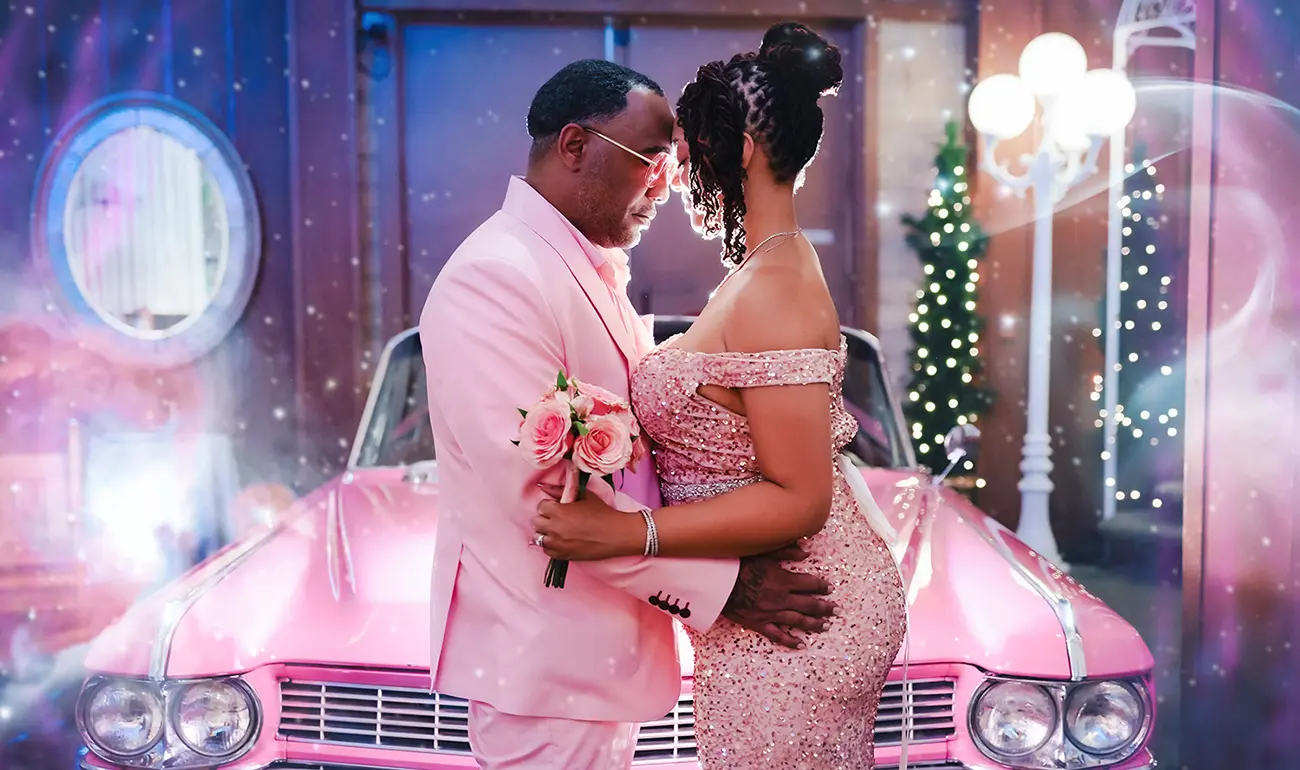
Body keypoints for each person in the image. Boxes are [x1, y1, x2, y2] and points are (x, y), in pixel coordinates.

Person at [419, 58, 836, 770]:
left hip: (604, 658)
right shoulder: (496, 277)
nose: (665, 182)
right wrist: (730, 585)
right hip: (547, 668)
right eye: (649, 157)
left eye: (671, 161)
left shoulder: (585, 263)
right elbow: (547, 501)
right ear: (574, 145)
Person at [532, 23, 908, 769]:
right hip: (773, 606)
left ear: (740, 151)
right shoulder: (761, 272)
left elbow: (801, 498)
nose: (674, 173)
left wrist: (629, 534)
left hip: (804, 609)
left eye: (689, 146)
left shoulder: (777, 287)